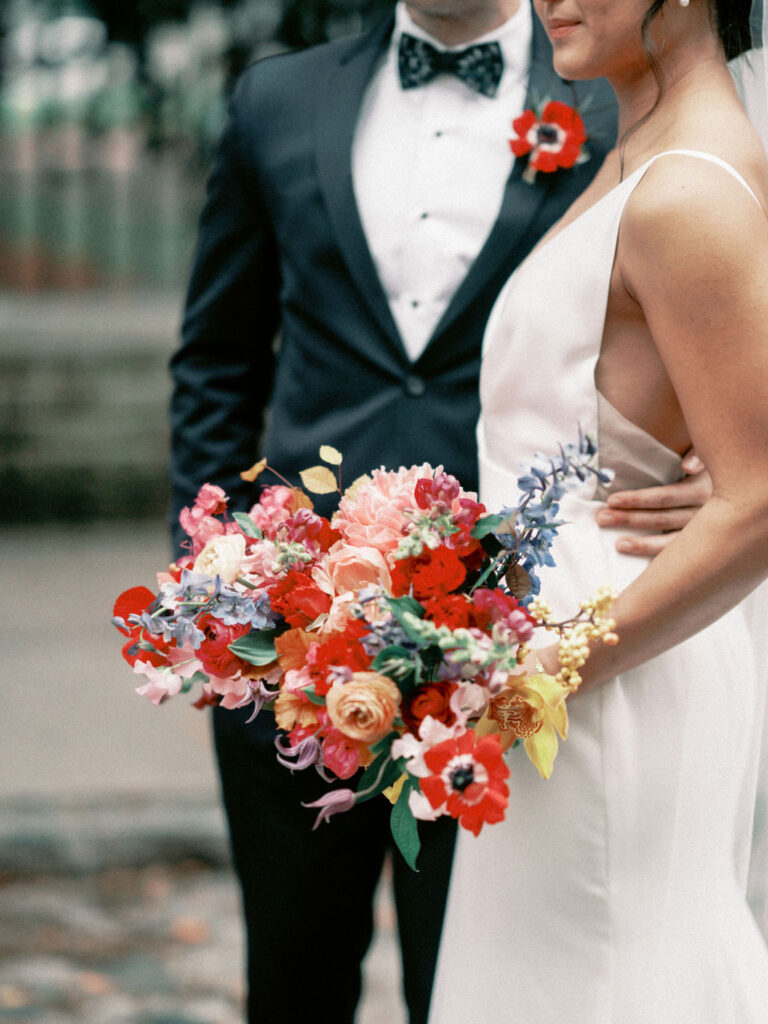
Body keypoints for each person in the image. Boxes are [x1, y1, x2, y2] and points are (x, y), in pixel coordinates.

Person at [169, 2, 712, 1021]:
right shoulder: (275, 102)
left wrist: (719, 462)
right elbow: (217, 360)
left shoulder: (614, 101)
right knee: (291, 977)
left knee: (476, 984)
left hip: (510, 647)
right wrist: (215, 597)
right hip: (295, 649)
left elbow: (716, 293)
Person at [429, 0, 768, 1021]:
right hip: (547, 666)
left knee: (617, 974)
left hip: (611, 667)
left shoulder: (688, 189)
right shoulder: (645, 148)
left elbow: (758, 501)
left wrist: (557, 661)